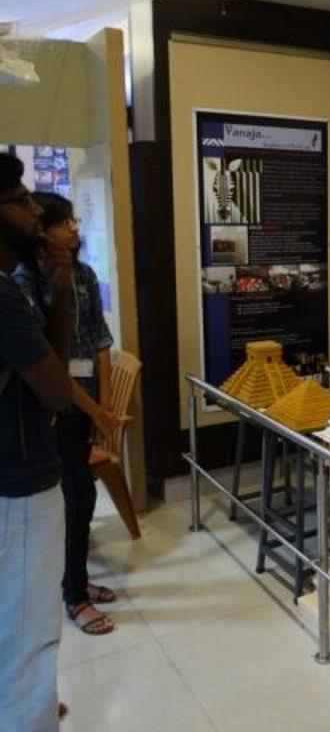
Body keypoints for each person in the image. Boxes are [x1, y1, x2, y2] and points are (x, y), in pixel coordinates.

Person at [15, 191, 120, 636]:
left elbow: (100, 343)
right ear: (41, 232)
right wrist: (96, 410)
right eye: (64, 223)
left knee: (81, 498)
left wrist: (104, 408)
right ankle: (74, 595)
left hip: (85, 407)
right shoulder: (23, 284)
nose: (74, 228)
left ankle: (75, 580)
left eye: (75, 220)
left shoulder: (84, 274)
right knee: (74, 499)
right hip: (52, 411)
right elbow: (51, 367)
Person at [0, 153, 74, 731]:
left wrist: (61, 283)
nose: (34, 212)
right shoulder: (2, 296)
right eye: (21, 201)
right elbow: (55, 393)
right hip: (20, 481)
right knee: (29, 630)